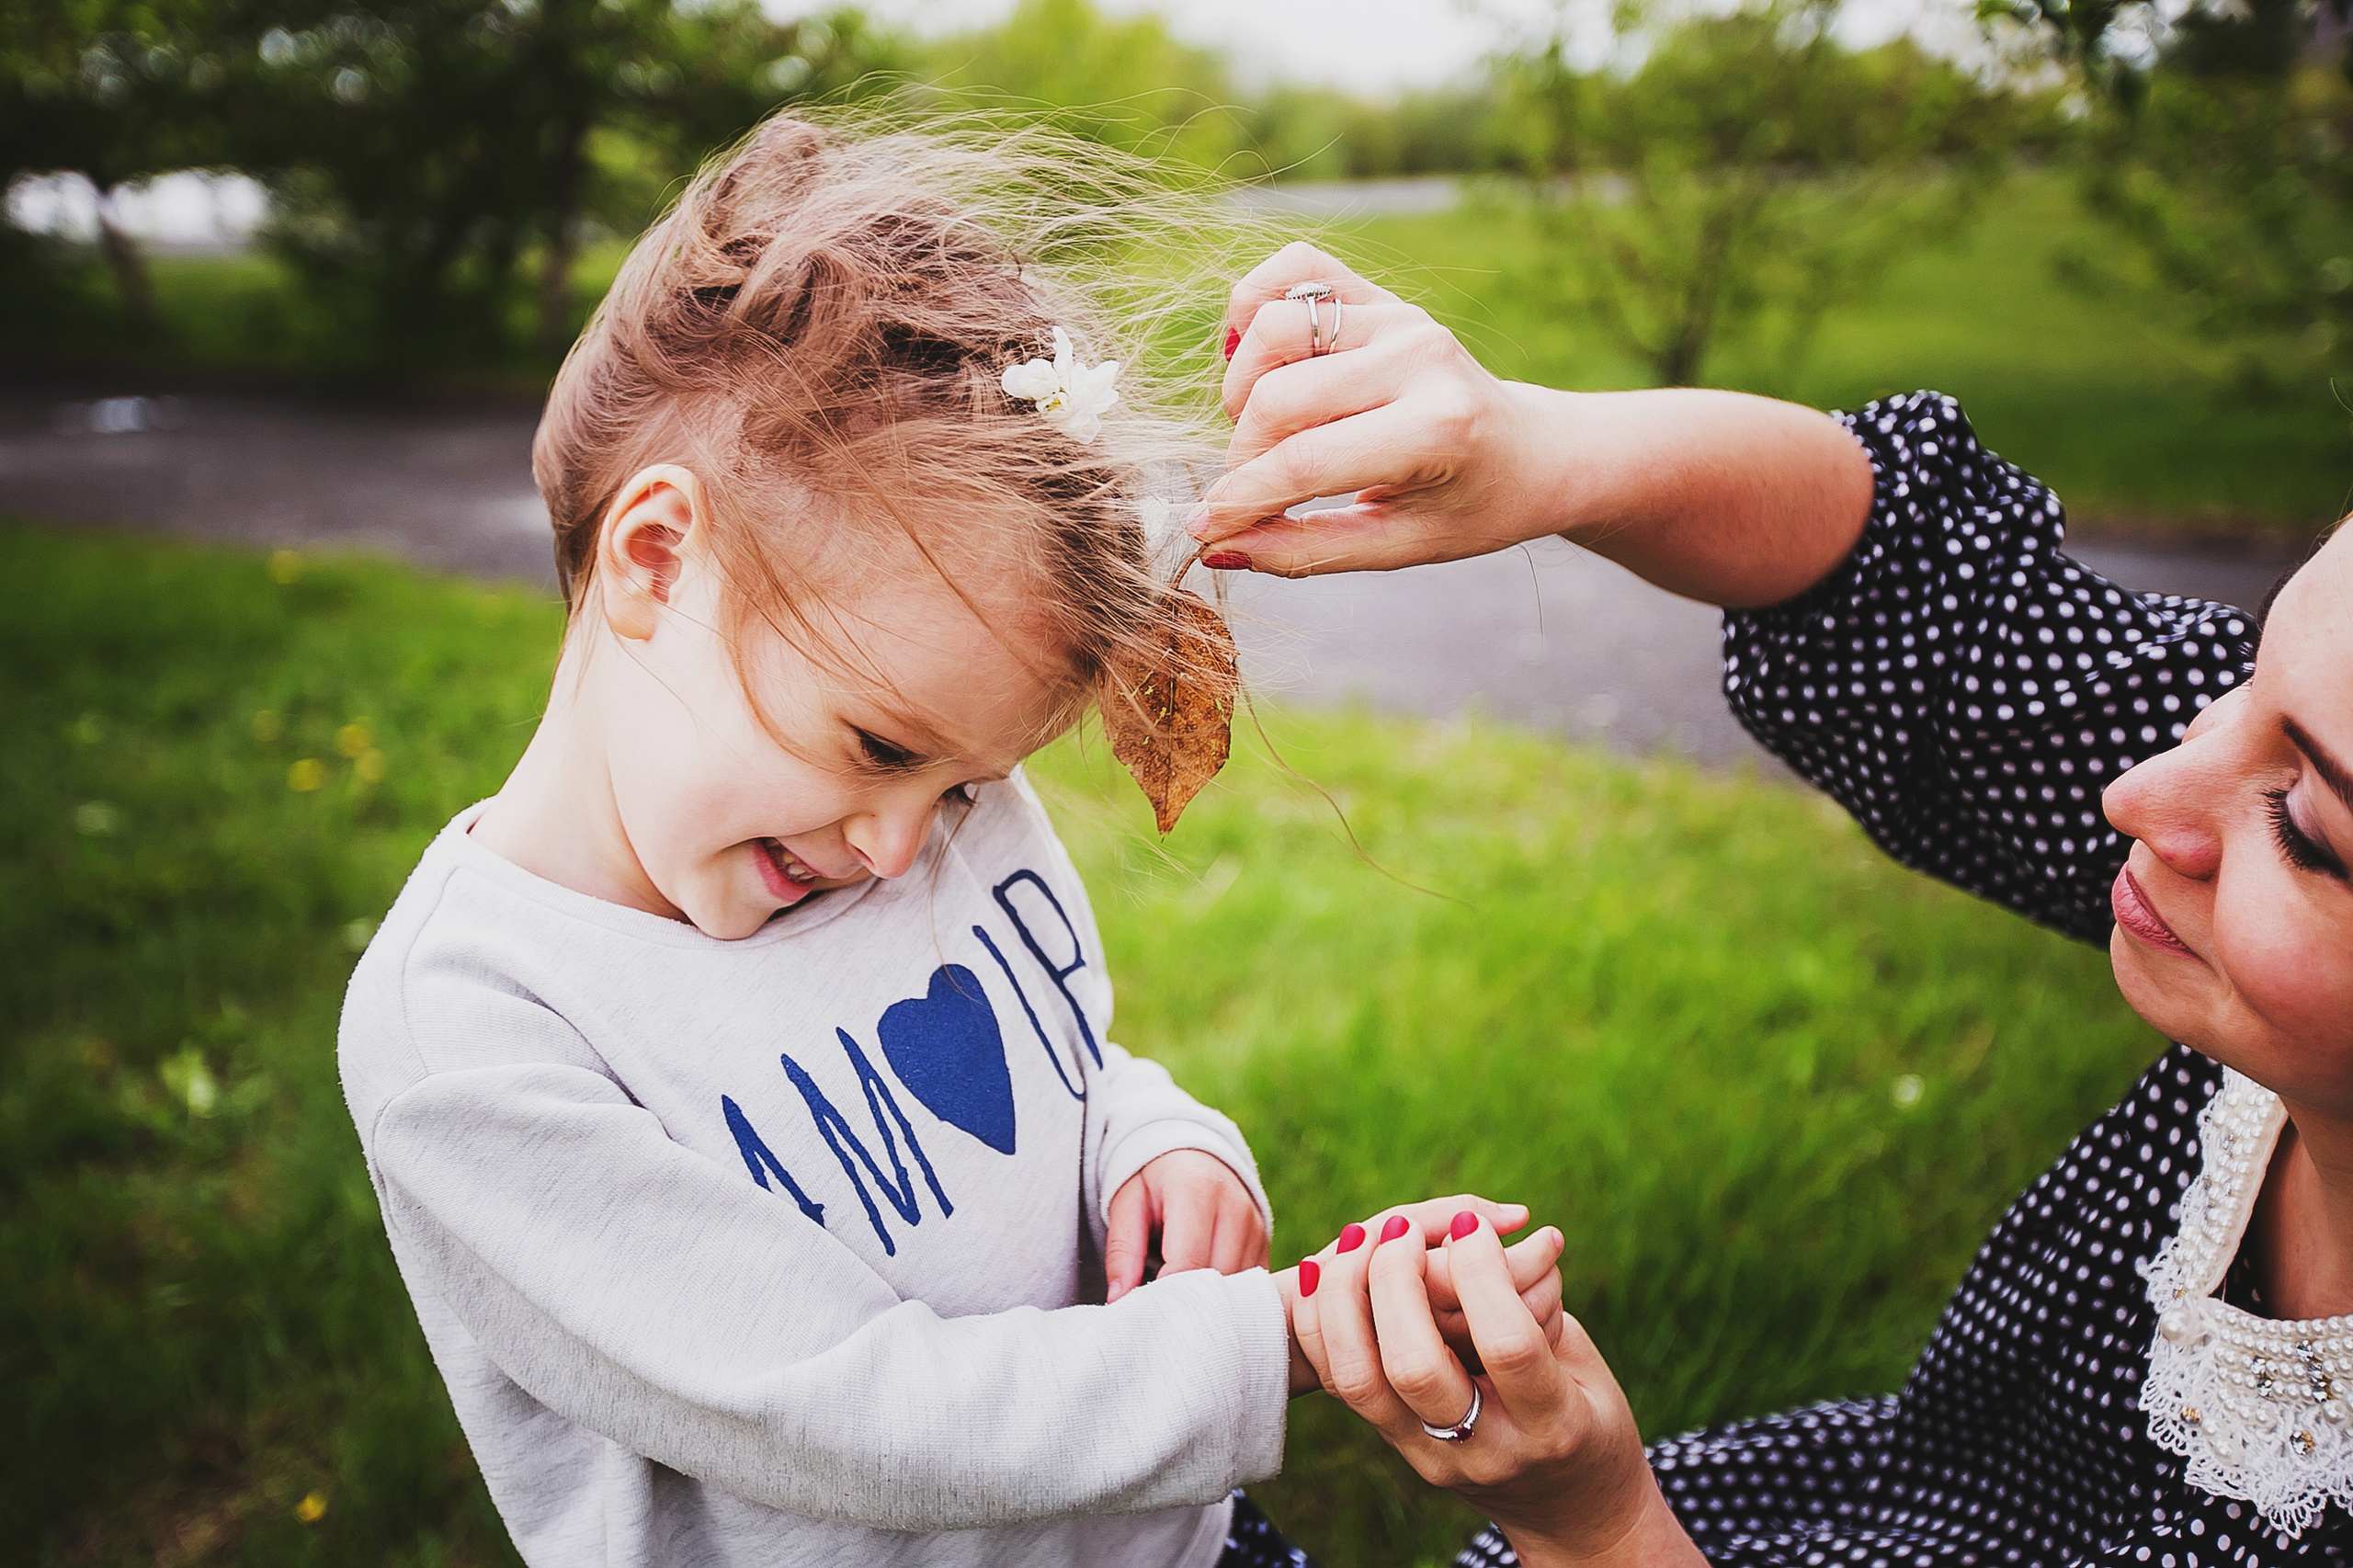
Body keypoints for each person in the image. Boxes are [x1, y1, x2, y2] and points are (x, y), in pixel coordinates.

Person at [335, 131, 1561, 1568]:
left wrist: (1146, 1142)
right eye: (875, 746)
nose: (905, 844)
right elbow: (838, 1410)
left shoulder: (922, 796)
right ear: (658, 561)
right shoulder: (478, 1032)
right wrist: (1275, 1336)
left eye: (976, 785)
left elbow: (1056, 1058)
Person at [1202, 245, 2353, 1565]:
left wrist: (1592, 1517)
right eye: (2244, 669)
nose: (2143, 786)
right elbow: (1906, 579)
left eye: (2309, 826)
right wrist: (1538, 442)